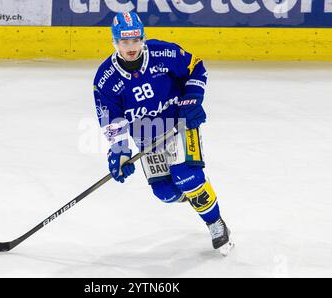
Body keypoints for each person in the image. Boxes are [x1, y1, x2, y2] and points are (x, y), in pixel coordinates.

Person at [93, 12, 233, 254]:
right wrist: (119, 151)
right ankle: (198, 194)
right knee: (166, 193)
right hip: (147, 135)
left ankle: (215, 222)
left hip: (178, 123)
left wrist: (192, 99)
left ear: (142, 38)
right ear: (114, 42)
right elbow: (111, 121)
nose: (131, 47)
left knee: (186, 175)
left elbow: (195, 67)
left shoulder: (163, 53)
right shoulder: (105, 79)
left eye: (135, 40)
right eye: (125, 42)